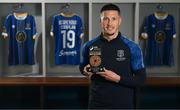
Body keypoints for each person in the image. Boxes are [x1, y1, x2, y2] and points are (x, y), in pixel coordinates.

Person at [79, 3, 146, 109]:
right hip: (96, 104)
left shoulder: (132, 47)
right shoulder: (89, 45)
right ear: (100, 21)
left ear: (119, 21)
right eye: (105, 19)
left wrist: (117, 78)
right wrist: (85, 70)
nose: (109, 23)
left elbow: (141, 80)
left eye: (113, 19)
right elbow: (82, 67)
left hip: (123, 105)